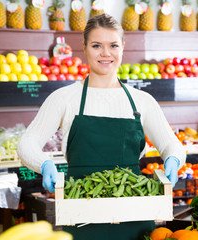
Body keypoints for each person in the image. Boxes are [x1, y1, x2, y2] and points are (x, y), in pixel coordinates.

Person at [17, 13, 186, 240]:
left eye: (113, 45)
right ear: (85, 48)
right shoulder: (64, 98)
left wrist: (173, 160)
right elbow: (27, 143)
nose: (106, 53)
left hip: (134, 210)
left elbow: (171, 144)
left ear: (123, 48)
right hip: (81, 211)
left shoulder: (141, 101)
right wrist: (44, 164)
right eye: (97, 45)